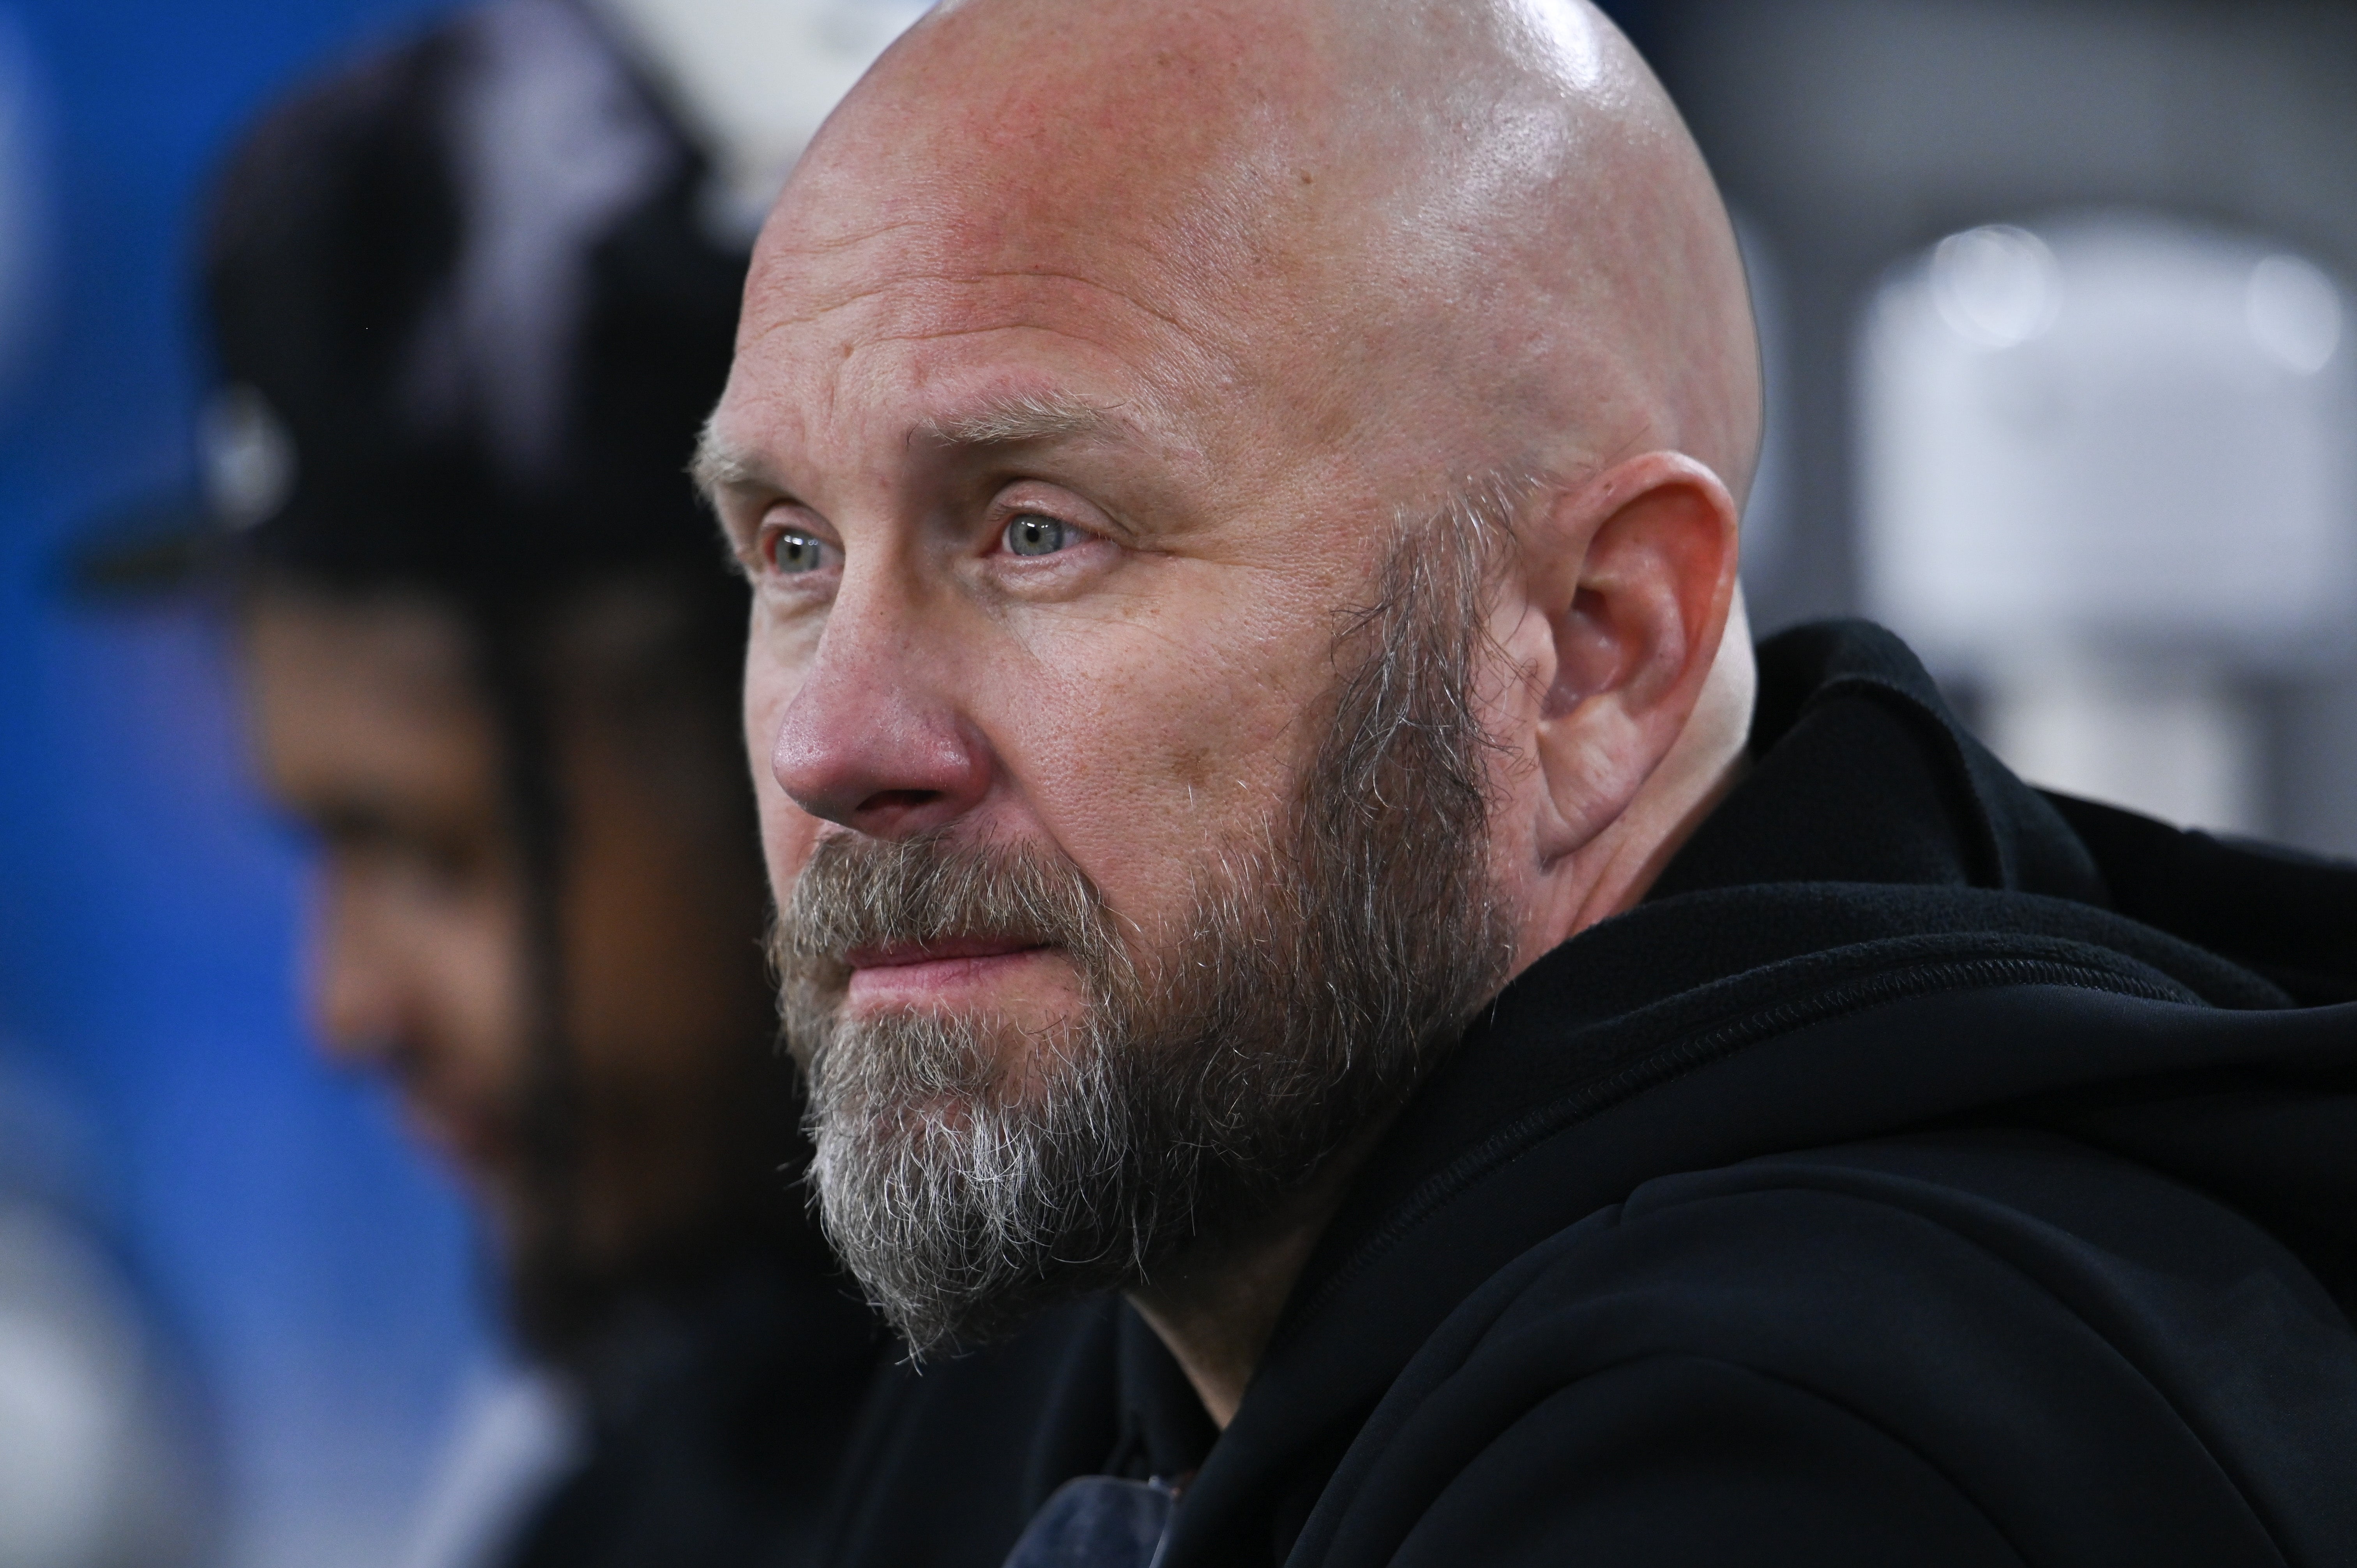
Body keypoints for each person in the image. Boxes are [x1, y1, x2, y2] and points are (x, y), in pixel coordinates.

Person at [698, 1, 2357, 1564]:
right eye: (792, 551)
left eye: (1039, 531)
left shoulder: (1796, 1460)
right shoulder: (1096, 1299)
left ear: (1589, 650)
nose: (833, 745)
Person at [172, 3, 881, 1562]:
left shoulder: (1213, 1429)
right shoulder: (623, 1471)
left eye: (432, 849)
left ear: (783, 729)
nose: (346, 1005)